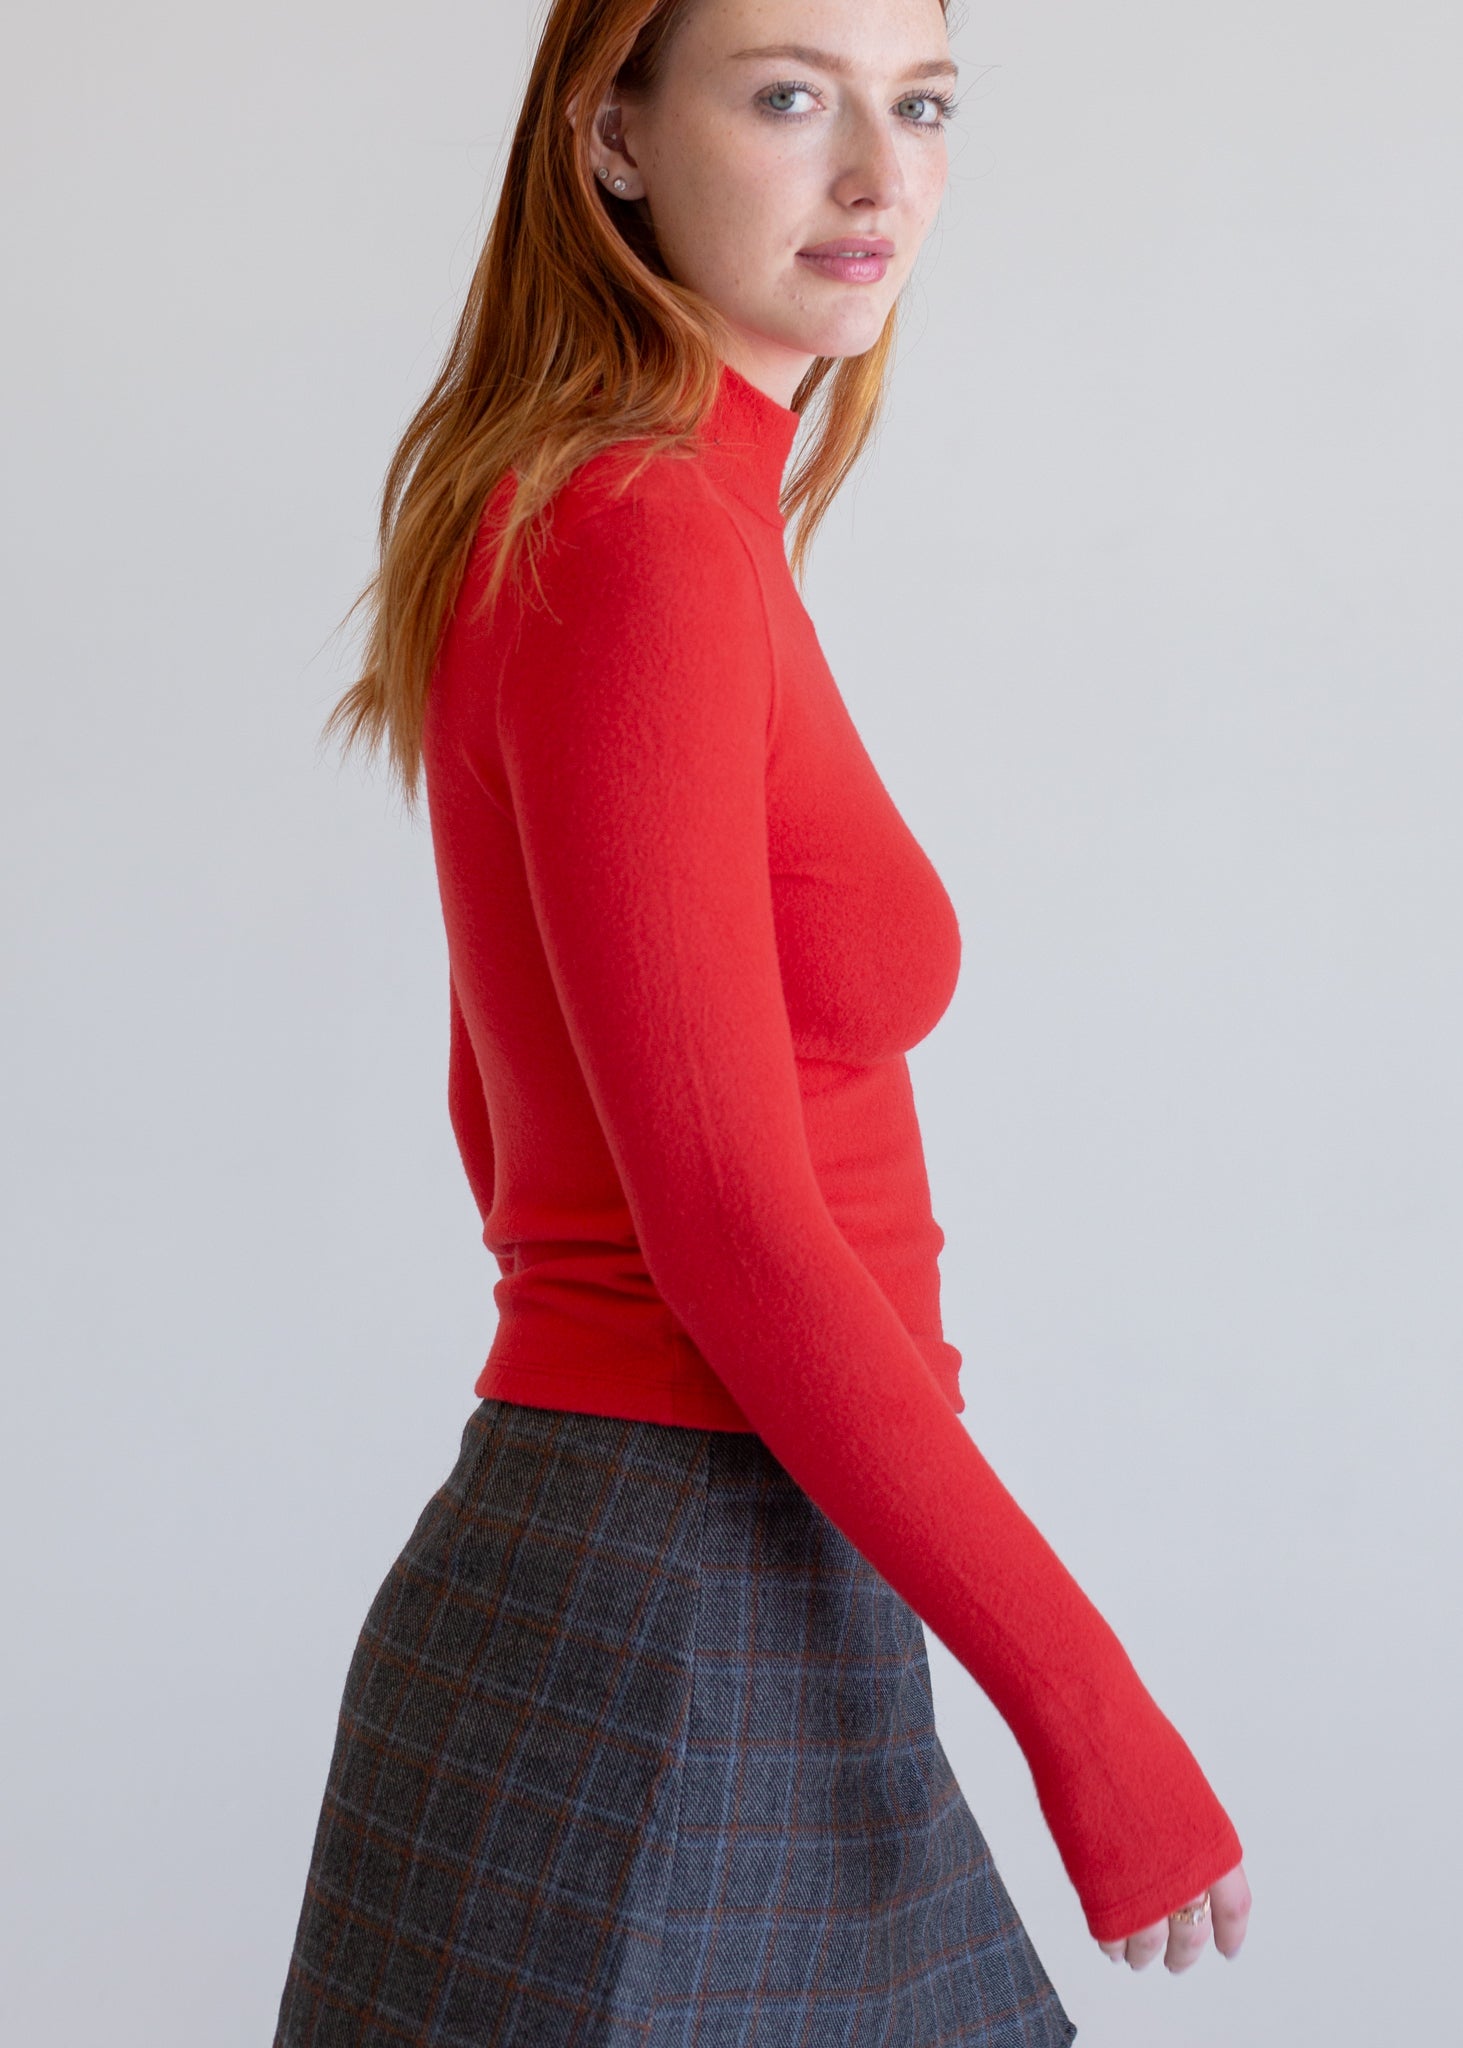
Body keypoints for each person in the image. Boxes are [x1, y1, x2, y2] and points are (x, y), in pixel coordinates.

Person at [272, 1, 1252, 2041]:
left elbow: (508, 1112)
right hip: (667, 1607)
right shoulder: (637, 537)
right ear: (611, 134)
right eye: (791, 94)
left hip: (736, 1571)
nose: (880, 174)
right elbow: (716, 1212)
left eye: (924, 105)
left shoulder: (661, 522)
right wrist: (1095, 1711)